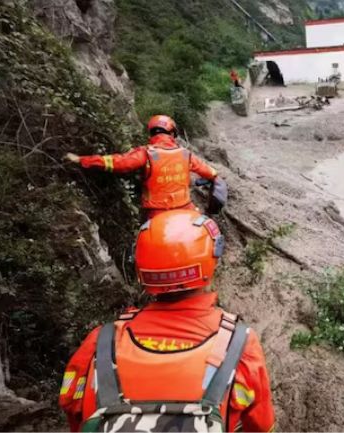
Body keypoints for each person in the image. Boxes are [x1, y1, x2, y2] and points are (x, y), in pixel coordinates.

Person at [58, 209, 275, 433]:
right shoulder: (239, 345)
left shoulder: (100, 343)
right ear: (211, 262)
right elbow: (261, 426)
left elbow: (73, 411)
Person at [64, 115, 227, 218]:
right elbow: (210, 173)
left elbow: (119, 163)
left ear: (152, 133)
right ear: (172, 133)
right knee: (205, 230)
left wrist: (85, 160)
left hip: (156, 214)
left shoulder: (146, 153)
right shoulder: (185, 154)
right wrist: (215, 178)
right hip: (185, 209)